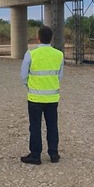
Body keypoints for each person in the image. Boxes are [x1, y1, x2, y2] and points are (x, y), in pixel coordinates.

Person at [20, 25, 64, 165]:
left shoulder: (31, 54)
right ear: (51, 38)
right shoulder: (59, 55)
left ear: (38, 38)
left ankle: (35, 155)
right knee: (52, 125)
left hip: (35, 97)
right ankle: (54, 153)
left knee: (35, 126)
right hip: (52, 97)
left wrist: (29, 86)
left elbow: (23, 75)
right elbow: (59, 76)